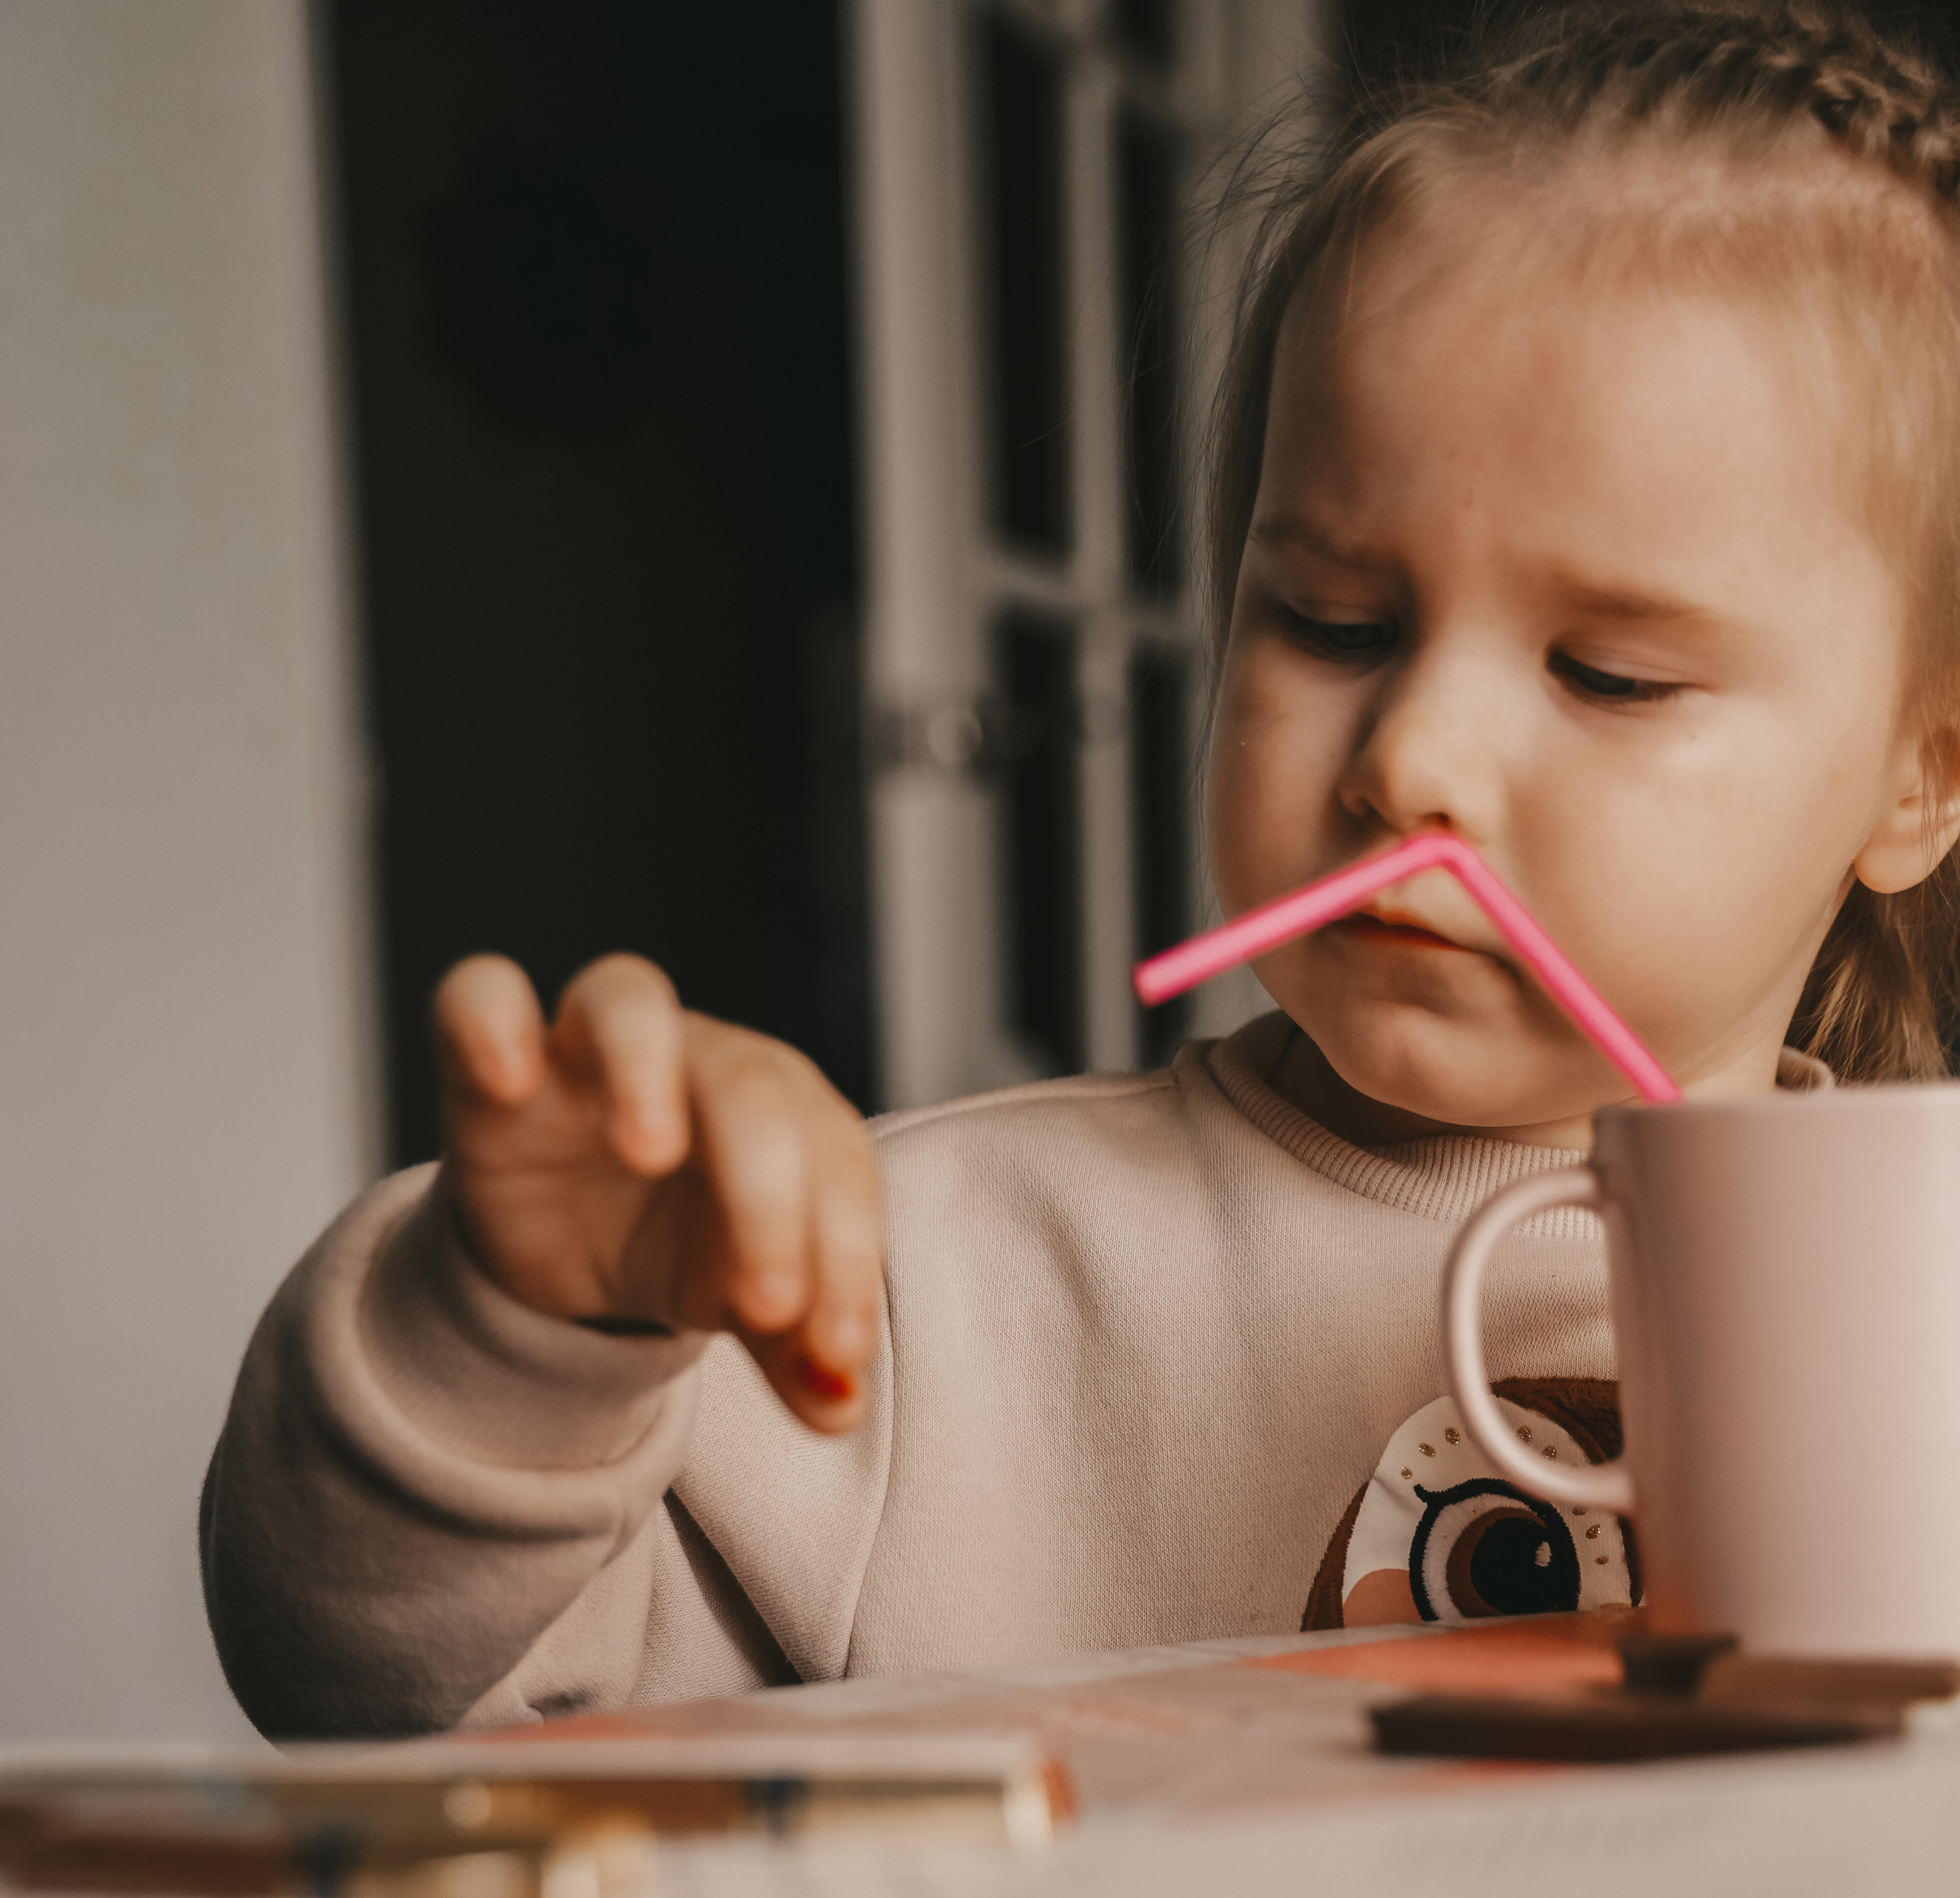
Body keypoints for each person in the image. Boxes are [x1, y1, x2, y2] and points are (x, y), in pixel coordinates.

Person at [202, 0, 1960, 1737]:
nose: (1407, 758)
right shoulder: (913, 1296)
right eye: (1329, 620)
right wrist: (513, 1335)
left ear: (1921, 774)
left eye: (1605, 673)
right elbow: (375, 1688)